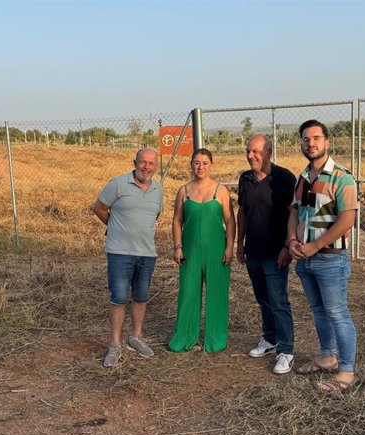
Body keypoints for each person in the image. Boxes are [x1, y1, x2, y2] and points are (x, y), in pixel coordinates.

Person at [287, 119, 359, 393]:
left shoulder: (342, 177)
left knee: (338, 312)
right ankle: (328, 357)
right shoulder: (303, 177)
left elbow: (346, 220)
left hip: (329, 258)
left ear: (326, 142)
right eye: (306, 139)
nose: (311, 143)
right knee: (319, 311)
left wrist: (314, 246)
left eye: (316, 138)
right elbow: (294, 212)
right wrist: (293, 240)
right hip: (305, 258)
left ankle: (346, 370)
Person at [92, 148, 163, 367]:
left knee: (141, 296)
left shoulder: (158, 189)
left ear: (155, 166)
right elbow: (99, 208)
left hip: (146, 253)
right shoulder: (119, 184)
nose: (146, 167)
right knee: (119, 297)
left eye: (151, 163)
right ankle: (115, 344)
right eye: (143, 162)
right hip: (120, 252)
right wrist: (113, 227)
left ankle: (136, 338)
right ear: (135, 162)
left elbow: (156, 215)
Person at [237, 134, 297, 374]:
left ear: (269, 152)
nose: (251, 155)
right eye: (248, 151)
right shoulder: (245, 179)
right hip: (253, 251)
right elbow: (242, 212)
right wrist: (239, 244)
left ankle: (287, 350)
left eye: (256, 151)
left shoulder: (284, 178)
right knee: (262, 298)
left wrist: (287, 246)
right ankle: (270, 339)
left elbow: (294, 214)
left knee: (278, 301)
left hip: (276, 253)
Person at [169, 148, 235, 352]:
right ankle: (185, 336)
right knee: (188, 291)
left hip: (217, 249)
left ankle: (215, 339)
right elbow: (177, 220)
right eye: (197, 163)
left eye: (205, 163)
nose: (201, 167)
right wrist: (177, 246)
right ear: (191, 164)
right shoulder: (184, 190)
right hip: (190, 250)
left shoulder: (221, 190)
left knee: (217, 292)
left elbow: (230, 221)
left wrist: (229, 247)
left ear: (211, 165)